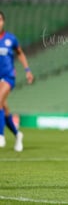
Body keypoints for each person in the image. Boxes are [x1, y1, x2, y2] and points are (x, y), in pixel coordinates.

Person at [0, 10, 34, 151]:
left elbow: (20, 54)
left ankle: (0, 136)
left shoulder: (10, 39)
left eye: (0, 20)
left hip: (8, 77)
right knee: (4, 108)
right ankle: (18, 134)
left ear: (3, 22)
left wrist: (27, 70)